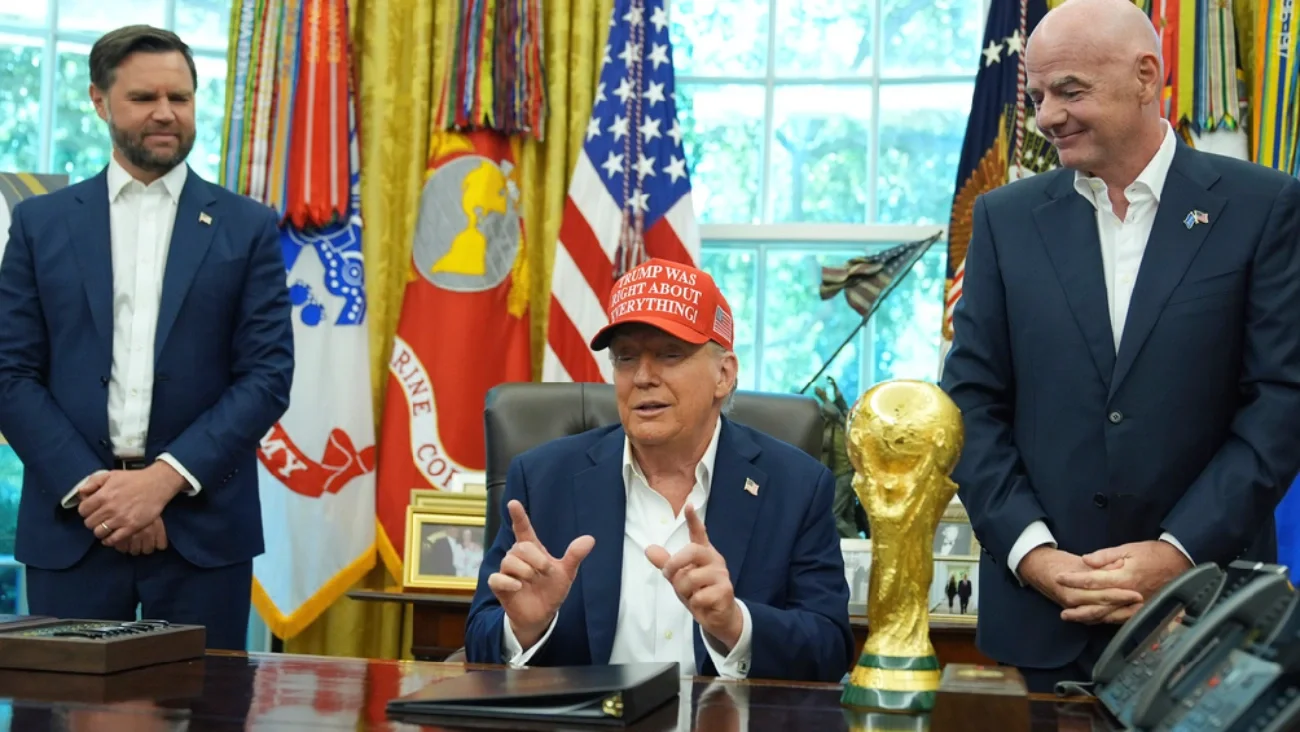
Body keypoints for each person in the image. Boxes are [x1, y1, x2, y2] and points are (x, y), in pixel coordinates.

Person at [939, 0, 1300, 692]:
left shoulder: (1264, 207)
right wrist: (1034, 554)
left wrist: (1179, 552)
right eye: (1038, 97)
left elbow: (1280, 403)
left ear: (1146, 76)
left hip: (1203, 619)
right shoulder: (1006, 220)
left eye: (1069, 91)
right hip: (1041, 621)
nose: (1047, 117)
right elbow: (972, 406)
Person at [0, 25, 294, 649]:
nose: (166, 113)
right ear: (99, 101)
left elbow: (267, 377)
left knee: (205, 700)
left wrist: (161, 482)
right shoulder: (38, 224)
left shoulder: (247, 226)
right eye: (143, 98)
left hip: (203, 532)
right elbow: (10, 373)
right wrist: (100, 494)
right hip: (73, 525)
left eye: (179, 98)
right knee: (59, 701)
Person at [463, 258, 854, 682]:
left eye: (670, 354)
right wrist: (523, 629)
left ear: (724, 375)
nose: (643, 377)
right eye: (626, 358)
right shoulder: (542, 479)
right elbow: (480, 636)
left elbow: (829, 647)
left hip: (722, 715)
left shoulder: (796, 486)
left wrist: (735, 625)